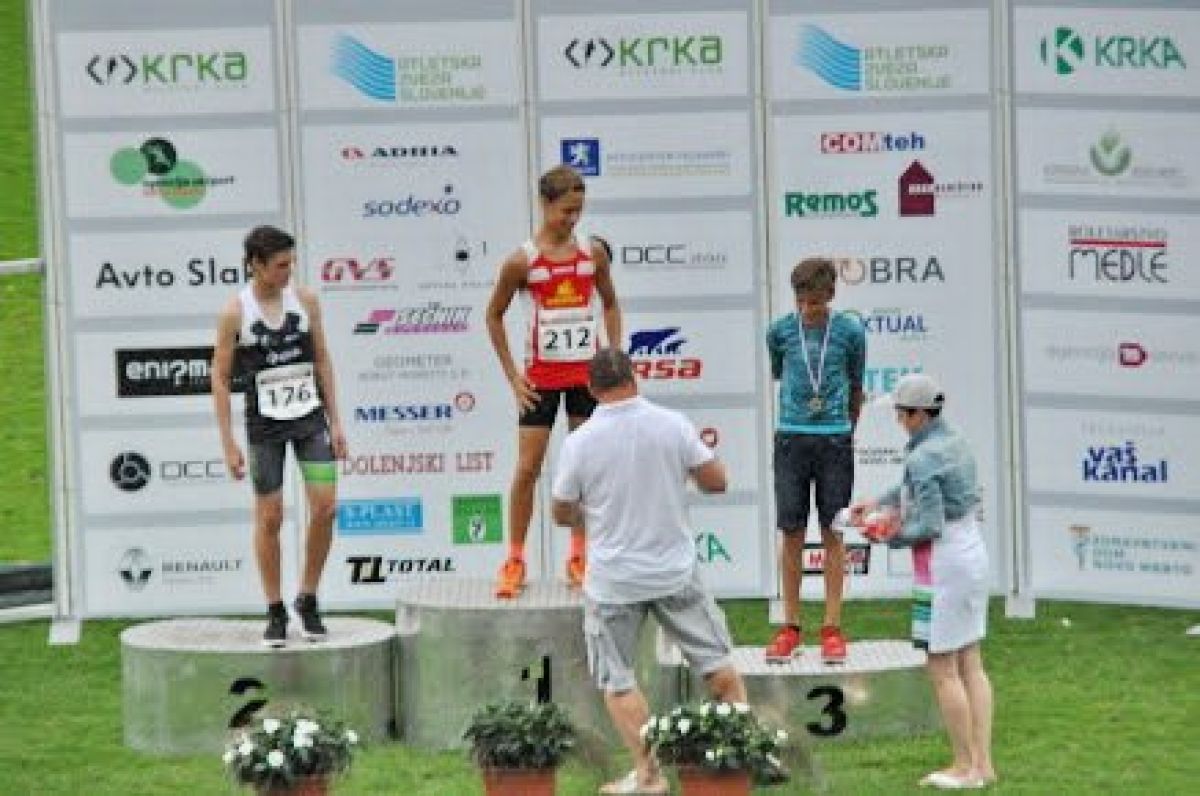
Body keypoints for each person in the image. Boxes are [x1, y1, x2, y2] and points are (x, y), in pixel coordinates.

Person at [551, 348, 747, 795]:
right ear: (634, 376)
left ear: (591, 388)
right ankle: (743, 759)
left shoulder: (580, 442)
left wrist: (591, 516)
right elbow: (717, 482)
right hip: (674, 571)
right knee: (716, 664)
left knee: (617, 680)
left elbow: (561, 512)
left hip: (613, 580)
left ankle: (649, 776)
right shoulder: (672, 425)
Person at [850, 373, 995, 789]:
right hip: (970, 554)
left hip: (945, 564)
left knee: (943, 667)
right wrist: (876, 503)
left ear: (918, 415)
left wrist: (886, 535)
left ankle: (964, 767)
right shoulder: (954, 440)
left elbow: (929, 525)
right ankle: (982, 765)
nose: (898, 421)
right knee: (971, 663)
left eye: (901, 414)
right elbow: (911, 486)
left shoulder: (923, 456)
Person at [485, 164, 621, 598]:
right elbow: (493, 315)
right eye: (565, 211)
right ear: (545, 205)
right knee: (527, 469)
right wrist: (513, 378)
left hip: (585, 379)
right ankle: (514, 559)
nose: (572, 219)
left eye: (578, 211)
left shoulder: (592, 253)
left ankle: (579, 556)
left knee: (583, 470)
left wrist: (613, 355)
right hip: (541, 380)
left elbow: (610, 303)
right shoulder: (521, 261)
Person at [212, 225, 347, 647]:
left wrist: (336, 422)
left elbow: (322, 359)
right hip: (265, 427)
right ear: (255, 264)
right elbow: (220, 377)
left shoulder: (305, 301)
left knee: (326, 507)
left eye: (291, 264)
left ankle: (308, 598)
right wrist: (228, 442)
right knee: (269, 518)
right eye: (280, 265)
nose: (288, 272)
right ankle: (275, 609)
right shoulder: (236, 312)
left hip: (309, 420)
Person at [764, 258, 866, 663]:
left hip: (834, 439)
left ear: (831, 295)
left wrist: (846, 428)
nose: (808, 309)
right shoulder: (779, 332)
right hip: (791, 438)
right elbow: (779, 372)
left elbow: (856, 384)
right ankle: (790, 626)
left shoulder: (850, 332)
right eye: (802, 301)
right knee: (791, 532)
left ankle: (832, 628)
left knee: (833, 532)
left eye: (816, 303)